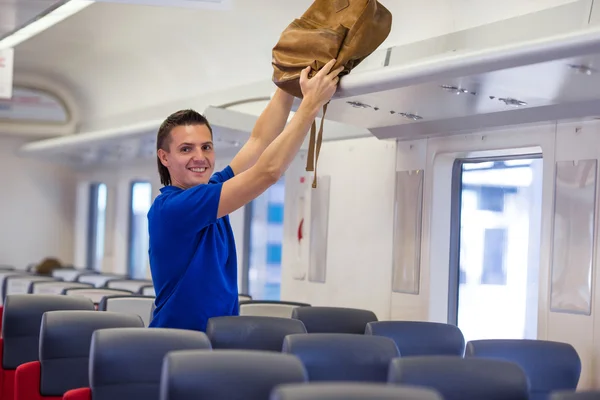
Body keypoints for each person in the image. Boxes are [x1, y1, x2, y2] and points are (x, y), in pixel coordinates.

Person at [148, 59, 344, 331]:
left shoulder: (210, 191)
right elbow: (268, 171)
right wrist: (311, 104)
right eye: (186, 149)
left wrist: (288, 78)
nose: (200, 157)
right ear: (164, 157)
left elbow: (259, 142)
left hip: (217, 343)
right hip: (178, 346)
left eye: (206, 147)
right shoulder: (172, 208)